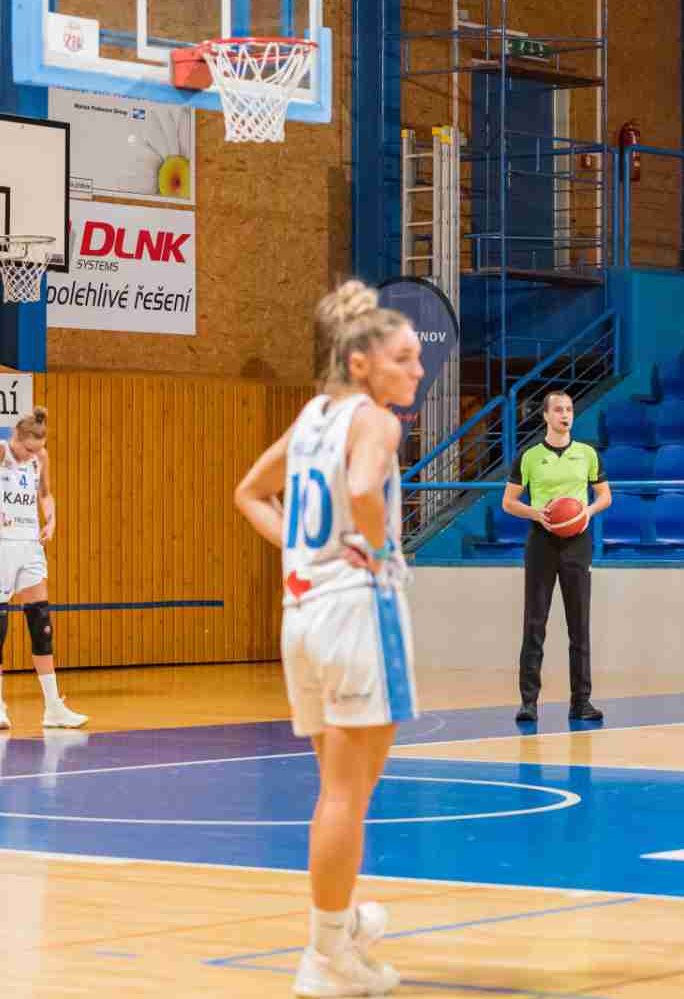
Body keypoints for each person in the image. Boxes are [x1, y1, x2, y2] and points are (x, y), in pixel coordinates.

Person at [233, 279, 423, 998]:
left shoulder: (311, 416)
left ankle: (339, 931)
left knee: (340, 792)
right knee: (348, 795)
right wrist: (376, 548)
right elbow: (367, 488)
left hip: (302, 610)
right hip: (355, 610)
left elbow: (249, 491)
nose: (417, 369)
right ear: (360, 359)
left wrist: (299, 550)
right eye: (402, 357)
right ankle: (325, 952)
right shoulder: (373, 421)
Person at [0, 406, 87, 731]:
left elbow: (46, 495)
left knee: (41, 622)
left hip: (30, 546)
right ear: (16, 438)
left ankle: (53, 707)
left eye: (37, 450)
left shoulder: (40, 457)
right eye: (28, 449)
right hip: (0, 546)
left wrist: (51, 521)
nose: (31, 456)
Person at [501, 391, 611, 723]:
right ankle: (528, 702)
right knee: (535, 623)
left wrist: (587, 512)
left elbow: (605, 496)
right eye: (559, 410)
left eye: (569, 410)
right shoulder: (529, 456)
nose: (565, 415)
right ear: (546, 416)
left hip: (578, 542)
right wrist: (536, 514)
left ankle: (581, 702)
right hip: (542, 542)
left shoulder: (587, 454)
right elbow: (509, 502)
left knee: (580, 625)